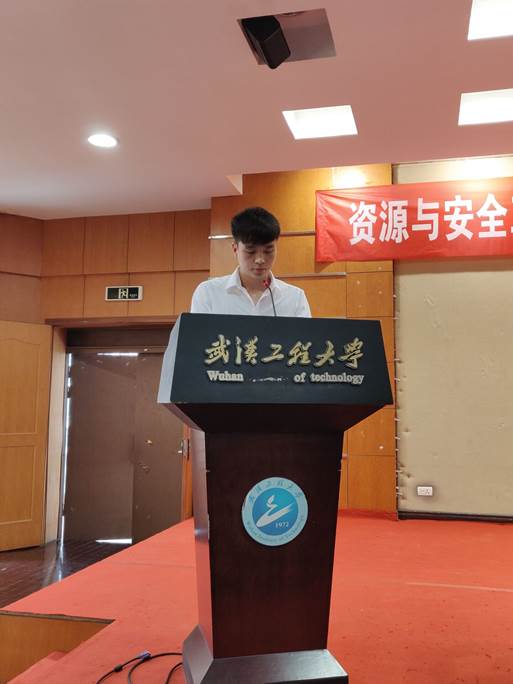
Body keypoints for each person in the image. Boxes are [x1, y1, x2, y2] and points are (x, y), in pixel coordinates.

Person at [191, 206, 311, 317]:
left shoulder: (295, 298)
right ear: (235, 249)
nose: (260, 260)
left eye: (268, 250)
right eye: (251, 251)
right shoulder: (209, 293)